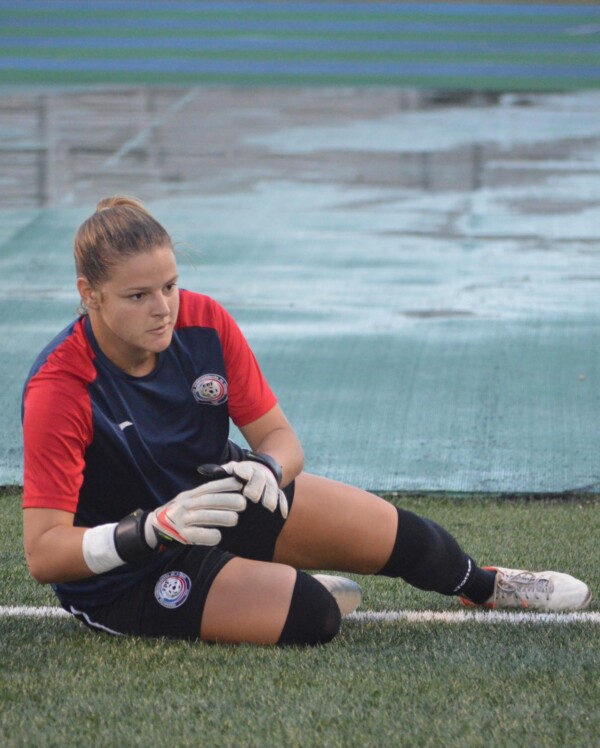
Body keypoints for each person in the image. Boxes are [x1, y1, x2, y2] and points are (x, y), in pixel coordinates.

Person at [22, 196, 591, 646]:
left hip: (217, 501)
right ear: (90, 295)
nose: (163, 308)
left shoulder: (203, 321)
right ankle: (256, 582)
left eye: (169, 286)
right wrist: (151, 529)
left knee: (407, 538)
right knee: (313, 615)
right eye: (138, 295)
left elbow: (280, 438)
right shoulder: (60, 388)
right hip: (130, 572)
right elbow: (44, 553)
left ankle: (488, 586)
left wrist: (267, 469)